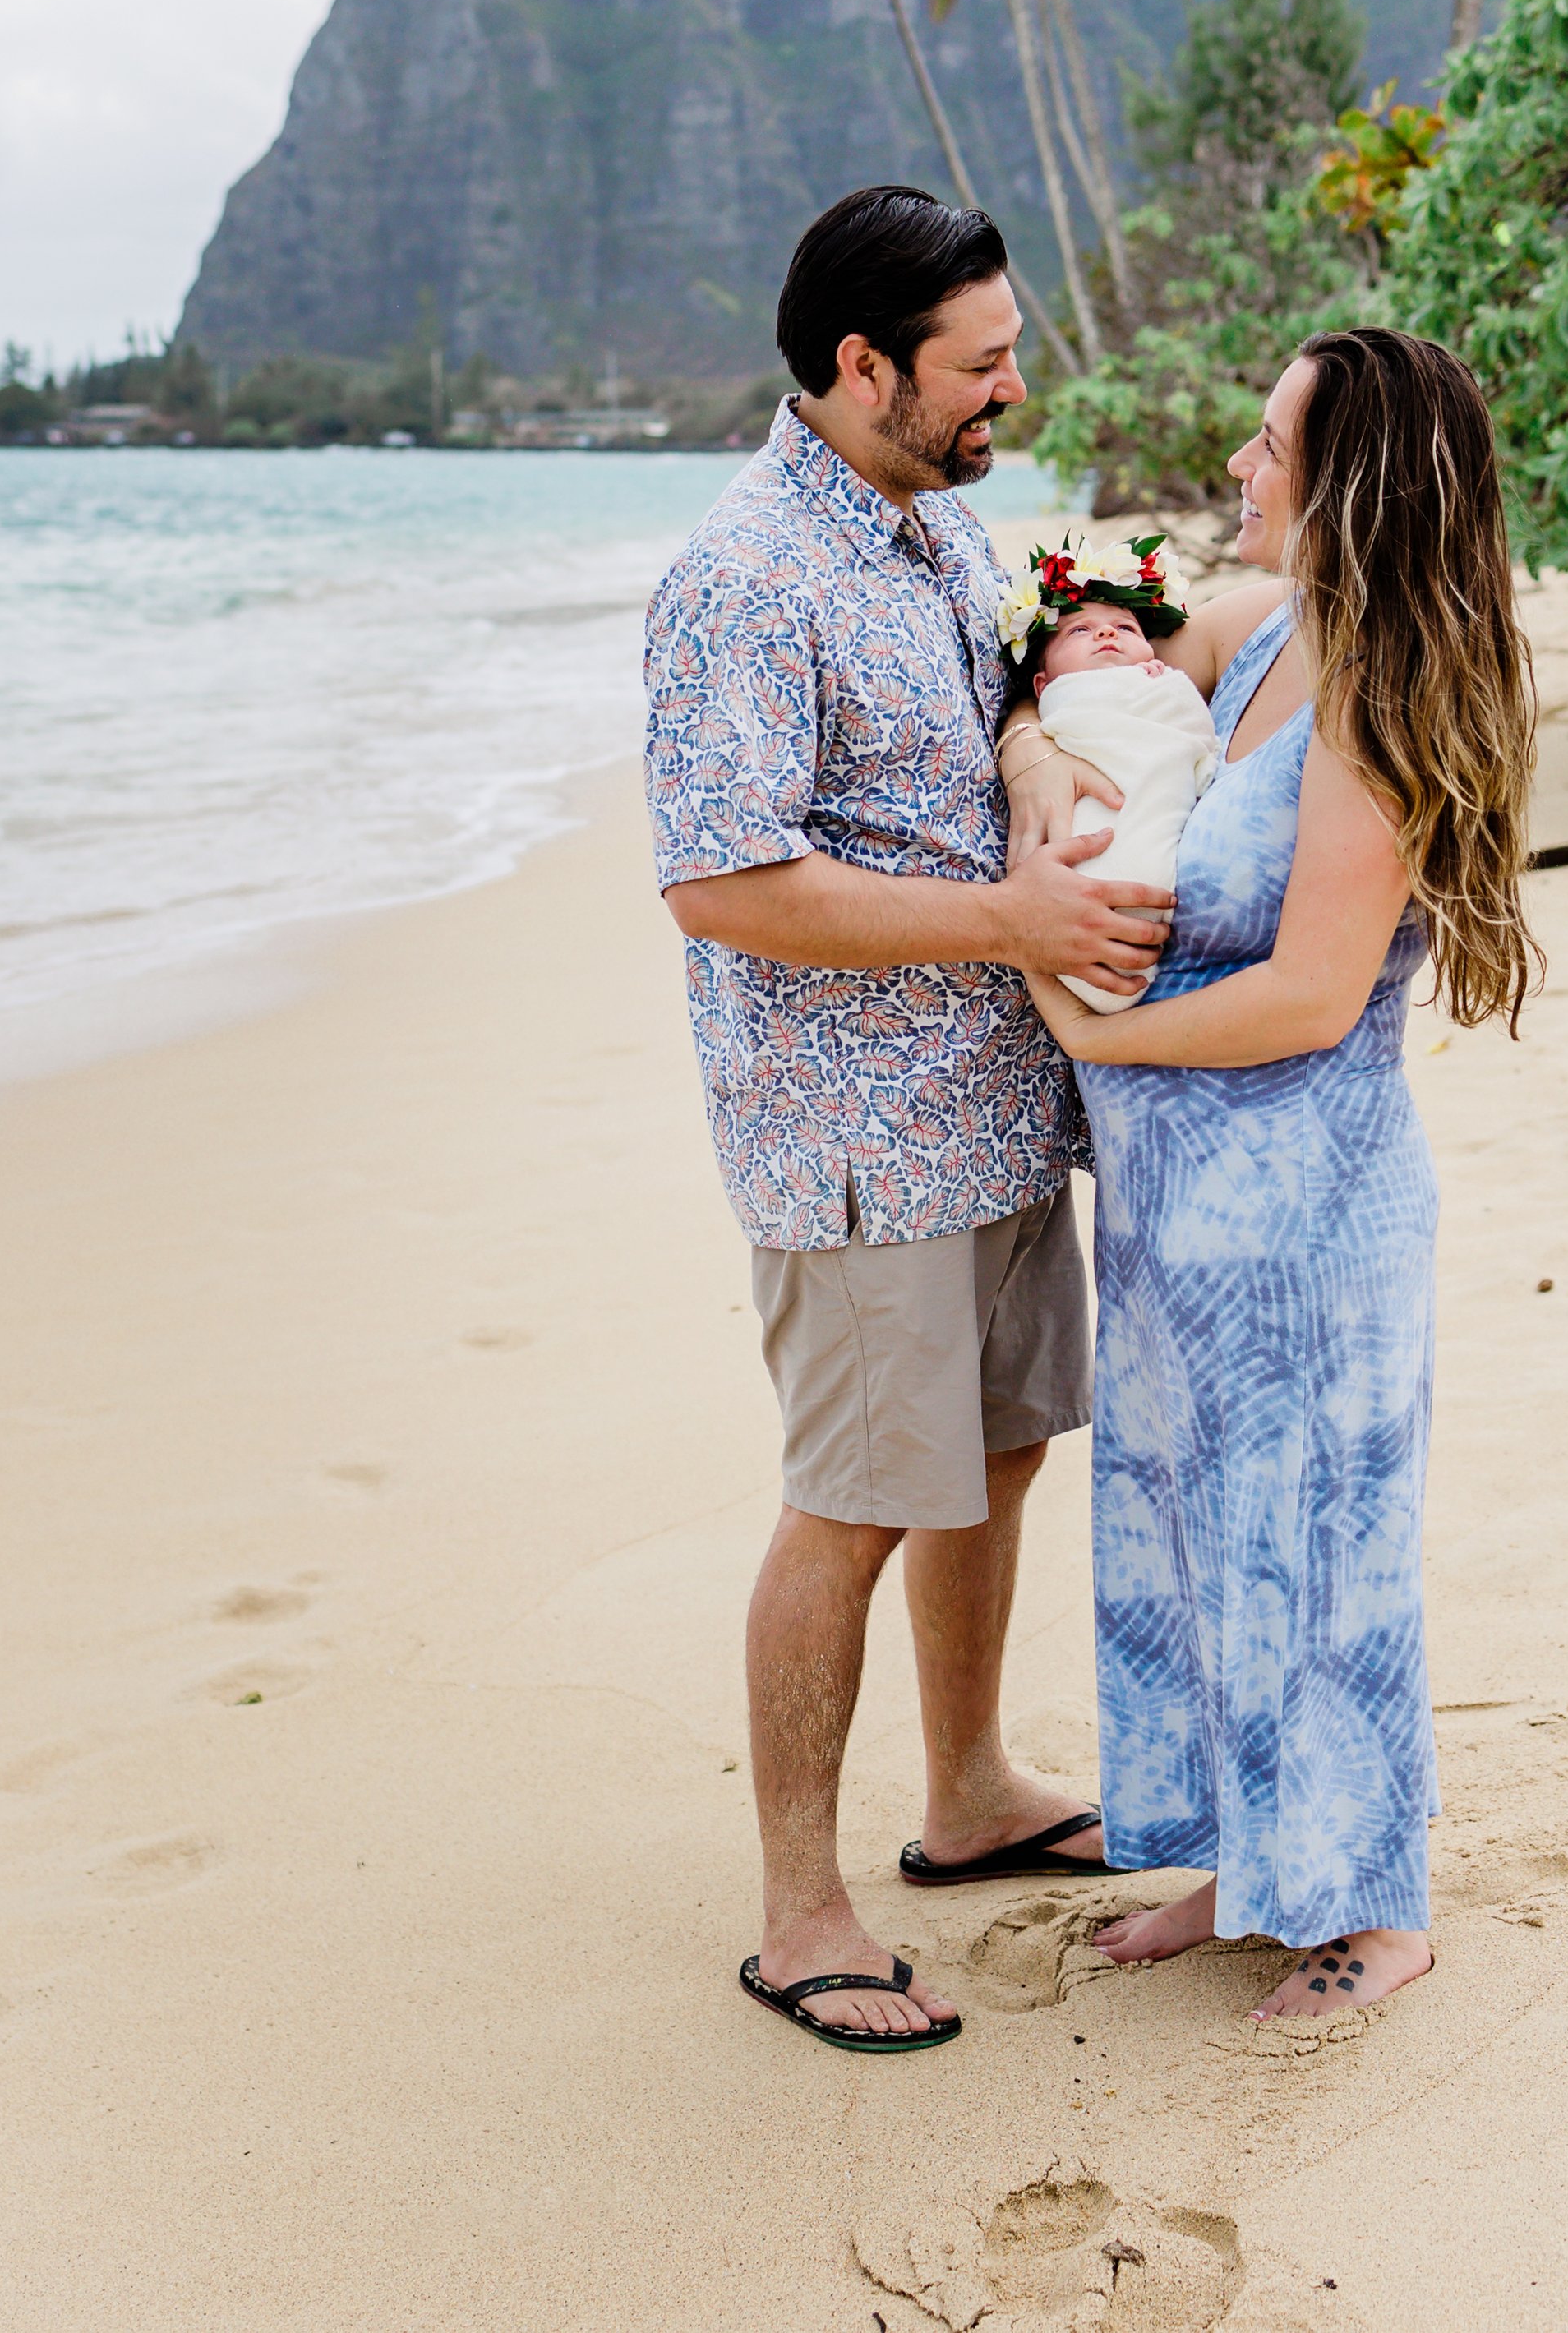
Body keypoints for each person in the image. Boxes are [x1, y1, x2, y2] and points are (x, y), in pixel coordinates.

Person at [643, 183, 1170, 2055]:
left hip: (1005, 1104)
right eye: (979, 360)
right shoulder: (741, 577)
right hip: (855, 1140)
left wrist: (1032, 759)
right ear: (862, 365)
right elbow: (726, 879)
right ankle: (798, 1908)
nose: (1011, 386)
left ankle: (970, 1791)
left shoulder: (929, 525)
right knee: (856, 1500)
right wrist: (1019, 915)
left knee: (1003, 1446)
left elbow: (1004, 690)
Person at [1013, 327, 1540, 2022]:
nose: (1236, 472)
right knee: (1190, 1540)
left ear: (1349, 488)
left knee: (1313, 1552)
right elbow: (1060, 659)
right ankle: (1249, 1866)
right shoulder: (1268, 641)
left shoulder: (1385, 690)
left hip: (1305, 1221)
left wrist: (1093, 1043)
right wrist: (1038, 771)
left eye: (1265, 449)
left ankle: (1373, 1905)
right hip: (1176, 1221)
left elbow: (1309, 994)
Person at [998, 539, 1220, 1012]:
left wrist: (1164, 689)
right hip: (1066, 884)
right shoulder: (1056, 705)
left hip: (1150, 846)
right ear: (1043, 685)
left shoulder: (1163, 689)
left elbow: (1196, 743)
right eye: (1079, 632)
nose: (1106, 635)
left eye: (1124, 626)